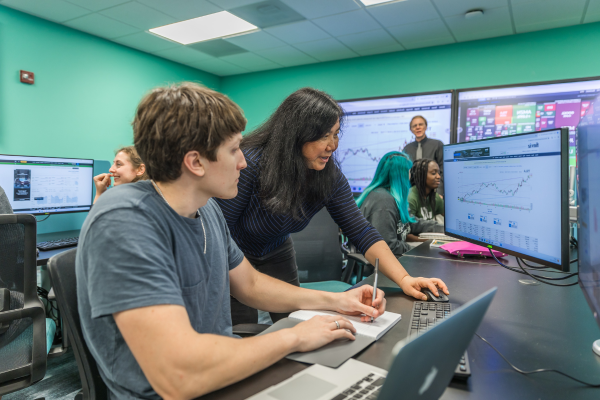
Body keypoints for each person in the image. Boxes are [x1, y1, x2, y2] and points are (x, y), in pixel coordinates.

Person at [76, 82, 388, 400]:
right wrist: (294, 338)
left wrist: (337, 302)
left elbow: (250, 285)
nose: (243, 161)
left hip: (225, 376)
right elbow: (177, 378)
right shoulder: (123, 221)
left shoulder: (207, 208)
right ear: (195, 162)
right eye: (233, 149)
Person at [216, 87, 449, 326]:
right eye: (323, 136)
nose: (333, 145)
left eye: (336, 134)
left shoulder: (328, 176)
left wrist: (404, 278)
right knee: (240, 326)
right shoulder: (250, 165)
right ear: (295, 135)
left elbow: (361, 231)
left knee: (291, 320)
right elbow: (220, 235)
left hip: (276, 249)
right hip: (233, 252)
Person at [357, 152, 444, 257]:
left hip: (394, 257)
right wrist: (419, 249)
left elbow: (412, 223)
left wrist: (443, 229)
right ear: (401, 176)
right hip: (379, 266)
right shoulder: (383, 202)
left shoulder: (393, 197)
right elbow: (388, 246)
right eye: (408, 172)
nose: (410, 176)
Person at [402, 115, 445, 196]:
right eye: (414, 126)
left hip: (433, 193)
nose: (418, 127)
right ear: (411, 130)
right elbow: (404, 173)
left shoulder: (437, 145)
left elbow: (442, 170)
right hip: (413, 194)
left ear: (425, 127)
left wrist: (439, 192)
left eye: (420, 124)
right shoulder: (407, 149)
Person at [409, 158, 444, 225]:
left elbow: (449, 217)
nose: (438, 176)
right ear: (421, 176)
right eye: (433, 173)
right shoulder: (411, 198)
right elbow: (406, 232)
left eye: (438, 173)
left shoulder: (435, 197)